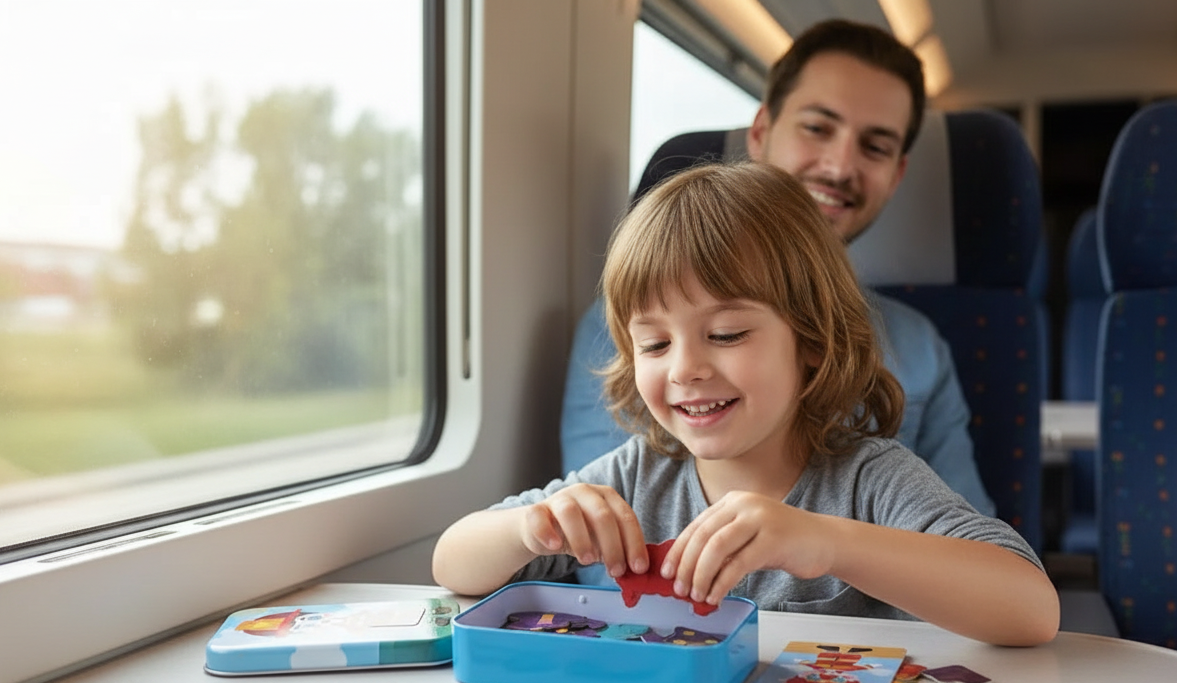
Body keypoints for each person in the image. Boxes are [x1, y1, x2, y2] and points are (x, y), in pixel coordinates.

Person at [434, 163, 1059, 648]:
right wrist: (529, 528)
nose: (685, 369)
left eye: (727, 334)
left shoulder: (869, 481)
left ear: (811, 342)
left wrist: (827, 543)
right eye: (654, 344)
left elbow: (1031, 607)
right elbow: (452, 563)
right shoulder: (636, 474)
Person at [561, 19, 994, 535]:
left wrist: (823, 545)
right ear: (761, 133)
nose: (839, 167)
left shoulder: (920, 352)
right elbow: (605, 540)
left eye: (875, 147)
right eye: (817, 128)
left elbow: (975, 551)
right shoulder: (632, 327)